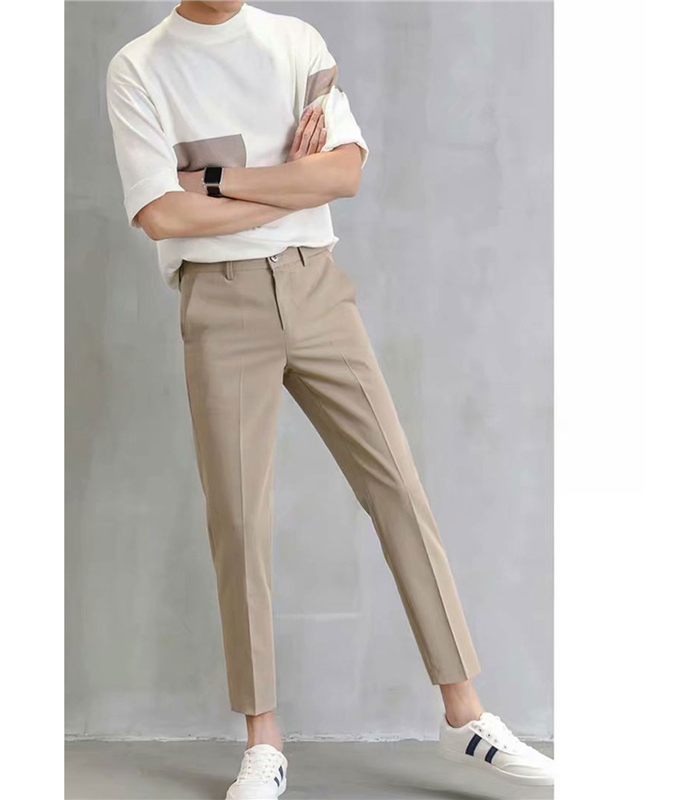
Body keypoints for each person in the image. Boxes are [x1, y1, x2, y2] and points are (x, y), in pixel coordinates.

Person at [106, 2, 554, 797]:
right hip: (219, 301)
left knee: (397, 488)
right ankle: (263, 739)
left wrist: (217, 178)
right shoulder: (139, 67)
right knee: (239, 519)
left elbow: (342, 174)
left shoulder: (296, 43)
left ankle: (464, 715)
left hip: (316, 287)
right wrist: (289, 184)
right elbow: (161, 213)